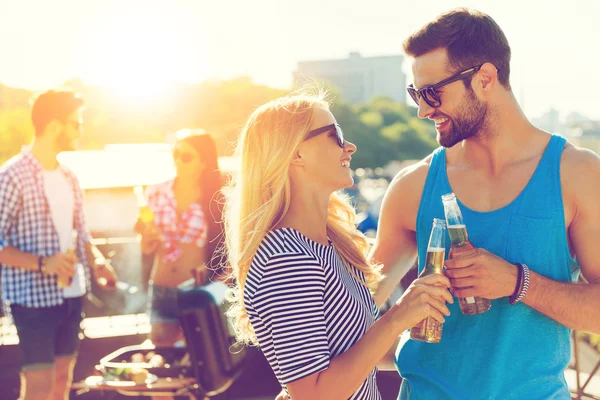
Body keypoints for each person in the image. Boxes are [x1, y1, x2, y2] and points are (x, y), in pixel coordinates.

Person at [370, 8, 600, 400]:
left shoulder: (577, 174)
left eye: (431, 93)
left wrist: (516, 282)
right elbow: (360, 305)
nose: (423, 109)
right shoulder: (414, 185)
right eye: (416, 95)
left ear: (486, 78)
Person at [223, 92, 453, 400]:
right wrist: (398, 316)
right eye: (335, 135)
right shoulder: (285, 257)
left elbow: (351, 357)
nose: (350, 146)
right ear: (295, 153)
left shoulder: (326, 246)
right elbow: (314, 394)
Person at [0, 89, 118, 400]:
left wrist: (96, 262)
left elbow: (81, 234)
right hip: (33, 301)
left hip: (72, 295)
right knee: (38, 388)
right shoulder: (11, 176)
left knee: (61, 383)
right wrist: (44, 263)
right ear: (54, 125)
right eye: (76, 122)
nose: (81, 129)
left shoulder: (70, 177)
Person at [135, 130, 226, 349]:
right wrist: (146, 240)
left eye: (186, 157)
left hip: (198, 290)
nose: (178, 160)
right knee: (162, 354)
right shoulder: (156, 192)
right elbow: (146, 248)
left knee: (198, 358)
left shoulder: (217, 199)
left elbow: (231, 250)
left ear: (204, 162)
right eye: (175, 154)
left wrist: (218, 288)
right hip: (161, 286)